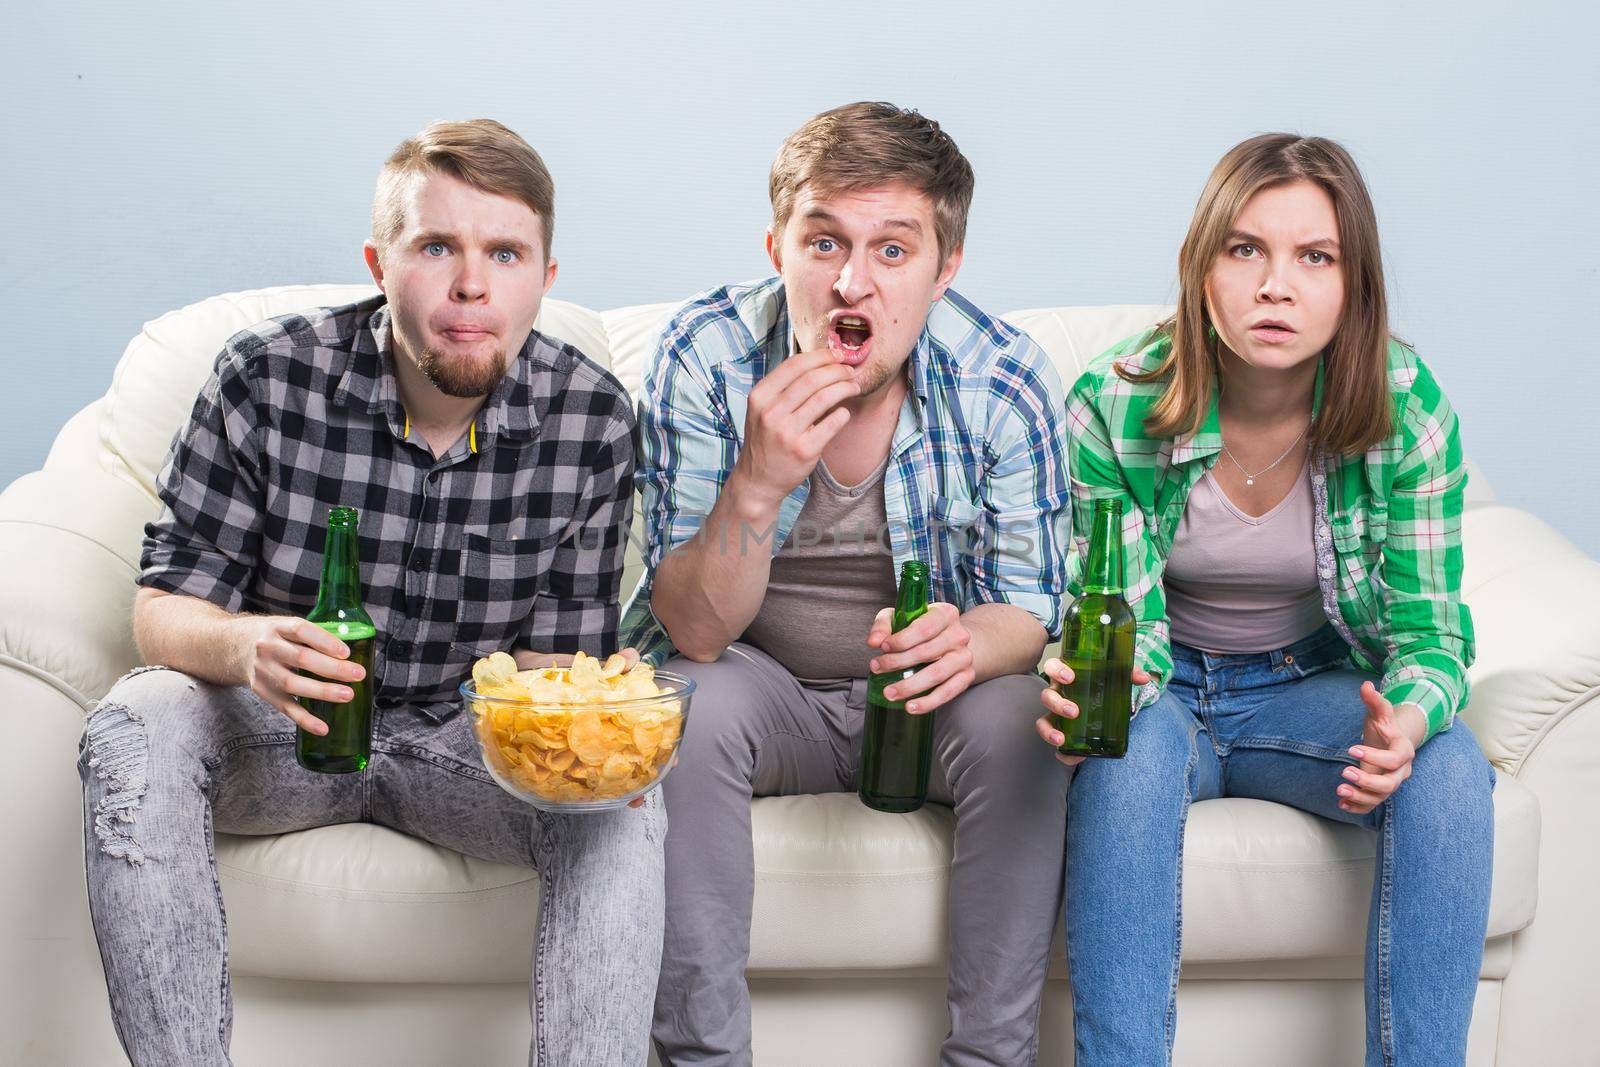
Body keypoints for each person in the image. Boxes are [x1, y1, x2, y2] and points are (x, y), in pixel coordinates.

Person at [78, 119, 663, 1066]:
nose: (472, 284)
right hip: (284, 736)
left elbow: (558, 660)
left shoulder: (592, 416)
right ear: (380, 261)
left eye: (504, 253)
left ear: (545, 276)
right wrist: (246, 645)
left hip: (469, 748)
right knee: (137, 716)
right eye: (438, 247)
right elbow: (162, 605)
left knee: (624, 798)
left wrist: (601, 711)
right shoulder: (266, 377)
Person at [624, 101, 1073, 1066]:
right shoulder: (704, 355)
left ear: (946, 266)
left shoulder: (1002, 379)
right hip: (758, 679)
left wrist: (967, 641)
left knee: (1021, 723)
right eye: (823, 242)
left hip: (925, 698)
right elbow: (692, 631)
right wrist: (756, 482)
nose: (850, 282)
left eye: (893, 250)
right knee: (681, 705)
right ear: (777, 244)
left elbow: (1034, 607)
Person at [1036, 133, 1494, 1066]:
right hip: (1163, 685)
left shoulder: (1408, 410)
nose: (1275, 286)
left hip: (1307, 688)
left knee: (1450, 767)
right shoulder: (1114, 404)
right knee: (1123, 759)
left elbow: (1431, 634)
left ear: (1353, 283)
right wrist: (1094, 703)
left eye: (1313, 257)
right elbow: (1121, 627)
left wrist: (1406, 719)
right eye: (1245, 250)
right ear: (1200, 270)